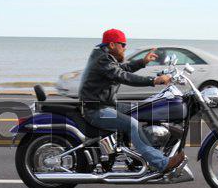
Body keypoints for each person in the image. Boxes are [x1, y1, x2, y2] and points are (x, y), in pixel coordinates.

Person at [78, 28, 185, 173]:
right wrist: (154, 80)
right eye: (122, 44)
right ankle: (161, 163)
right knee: (132, 125)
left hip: (105, 104)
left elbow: (123, 68)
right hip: (97, 109)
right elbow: (123, 76)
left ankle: (136, 153)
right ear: (112, 45)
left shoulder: (104, 57)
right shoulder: (103, 59)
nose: (125, 48)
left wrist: (143, 62)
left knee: (140, 109)